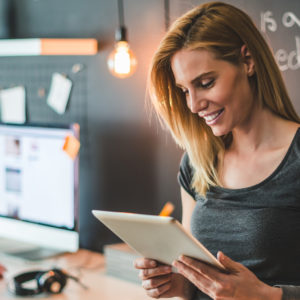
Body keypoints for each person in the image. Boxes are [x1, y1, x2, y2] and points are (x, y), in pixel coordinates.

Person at [134, 2, 300, 300]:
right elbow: (199, 279)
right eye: (185, 90)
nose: (194, 105)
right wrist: (180, 285)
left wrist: (267, 296)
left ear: (247, 61)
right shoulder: (198, 163)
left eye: (206, 83)